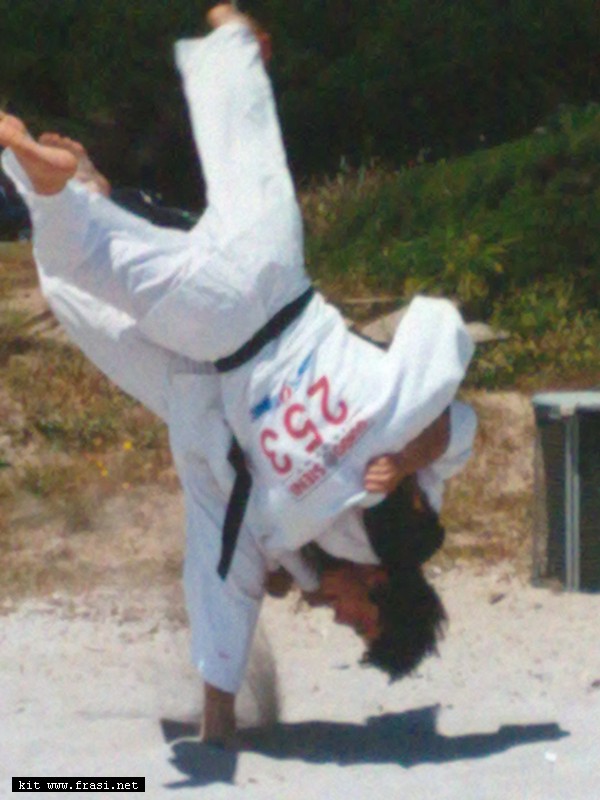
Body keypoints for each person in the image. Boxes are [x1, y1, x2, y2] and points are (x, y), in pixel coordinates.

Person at [0, 4, 477, 744]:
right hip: (227, 333)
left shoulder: (310, 528)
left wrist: (289, 595)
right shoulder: (388, 505)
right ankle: (58, 190)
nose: (341, 620)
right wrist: (409, 458)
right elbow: (454, 417)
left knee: (241, 150)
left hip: (271, 283)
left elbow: (231, 566)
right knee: (77, 268)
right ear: (383, 586)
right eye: (360, 622)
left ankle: (230, 50)